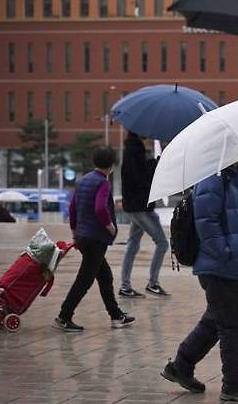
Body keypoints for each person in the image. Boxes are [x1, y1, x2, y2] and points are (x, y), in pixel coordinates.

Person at [161, 164, 238, 403]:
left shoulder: (230, 176)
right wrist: (224, 253)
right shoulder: (211, 178)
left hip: (228, 265)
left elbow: (233, 220)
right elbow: (206, 221)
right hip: (219, 266)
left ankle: (181, 366)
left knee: (216, 319)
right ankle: (234, 384)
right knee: (234, 327)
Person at [53, 147, 135, 332]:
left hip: (83, 236)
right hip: (95, 239)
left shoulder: (83, 181)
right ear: (111, 165)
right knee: (85, 280)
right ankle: (64, 316)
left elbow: (72, 208)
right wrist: (110, 227)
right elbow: (100, 208)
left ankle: (116, 316)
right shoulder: (103, 183)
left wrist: (74, 231)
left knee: (105, 276)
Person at [119, 131, 170, 297]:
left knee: (133, 245)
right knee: (162, 243)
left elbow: (139, 174)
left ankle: (125, 286)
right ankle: (152, 283)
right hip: (140, 207)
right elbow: (139, 179)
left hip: (137, 206)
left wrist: (153, 163)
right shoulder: (134, 151)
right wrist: (155, 165)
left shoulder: (134, 150)